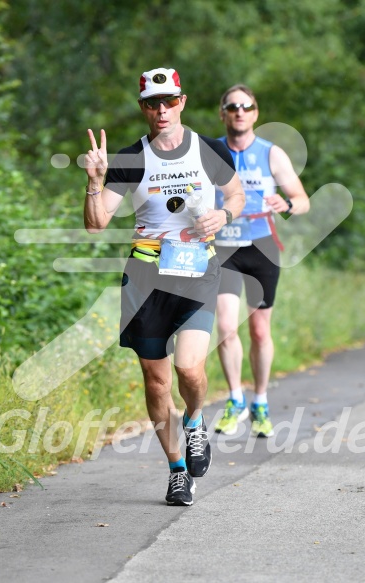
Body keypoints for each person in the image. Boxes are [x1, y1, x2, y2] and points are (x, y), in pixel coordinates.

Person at [83, 68, 245, 506]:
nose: (161, 110)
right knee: (156, 384)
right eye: (153, 103)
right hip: (145, 275)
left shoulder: (207, 150)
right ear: (143, 108)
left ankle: (195, 419)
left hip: (197, 271)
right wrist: (96, 181)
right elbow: (97, 224)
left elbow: (236, 195)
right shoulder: (130, 157)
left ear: (182, 103)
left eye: (169, 101)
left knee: (189, 369)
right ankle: (177, 472)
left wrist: (224, 216)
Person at [214, 84, 310, 438]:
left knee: (258, 330)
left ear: (255, 113)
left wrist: (287, 205)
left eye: (247, 106)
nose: (240, 111)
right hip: (223, 247)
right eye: (233, 106)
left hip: (261, 246)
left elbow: (302, 199)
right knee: (225, 326)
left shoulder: (271, 154)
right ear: (222, 113)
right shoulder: (210, 152)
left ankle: (260, 401)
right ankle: (235, 399)